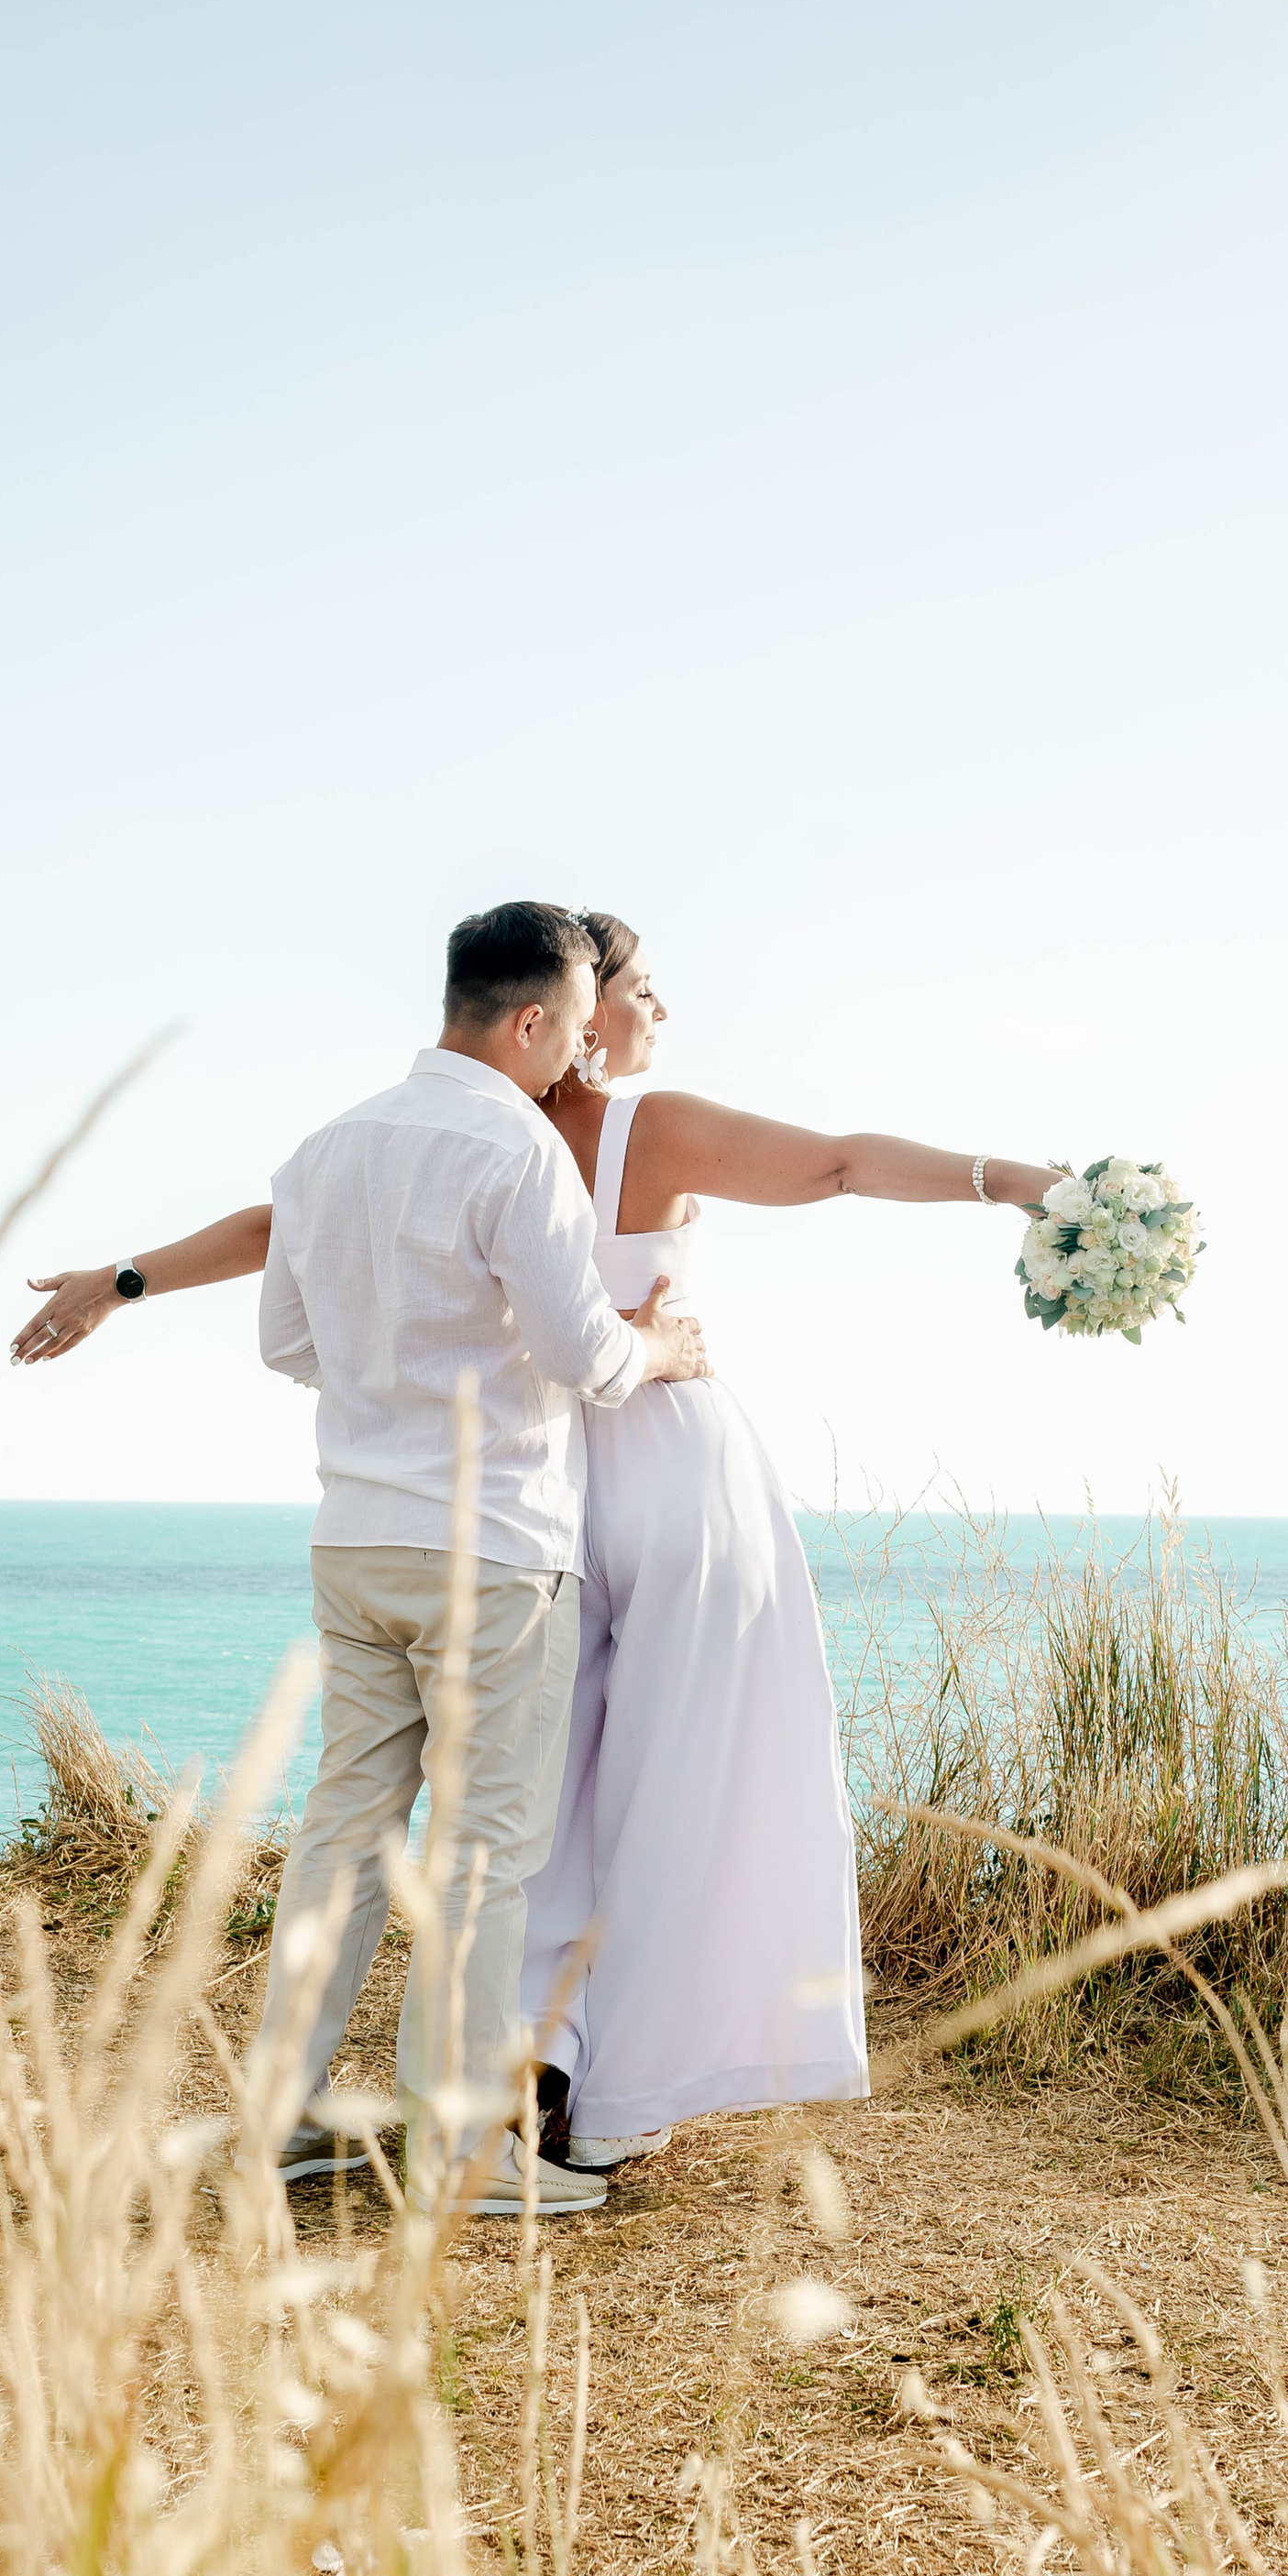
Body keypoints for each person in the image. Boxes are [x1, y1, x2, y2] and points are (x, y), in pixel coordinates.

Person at [19, 901, 709, 2217]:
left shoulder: (332, 1145)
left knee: (342, 1837)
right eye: (568, 1024)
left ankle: (276, 2123)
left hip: (359, 1535)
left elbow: (289, 1343)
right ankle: (460, 2157)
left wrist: (403, 1363)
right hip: (497, 1547)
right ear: (529, 1019)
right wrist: (665, 1346)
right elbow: (588, 1361)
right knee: (483, 1855)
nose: (575, 1051)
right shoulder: (522, 1152)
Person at [519, 914, 1067, 2167]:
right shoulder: (645, 1131)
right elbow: (832, 1166)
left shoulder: (487, 1140)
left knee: (544, 1791)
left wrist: (129, 1282)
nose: (664, 1014)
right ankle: (616, 2110)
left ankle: (538, 2060)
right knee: (686, 1777)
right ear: (585, 1009)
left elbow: (304, 1225)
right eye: (648, 991)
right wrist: (1011, 1181)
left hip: (534, 1479)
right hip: (668, 1462)